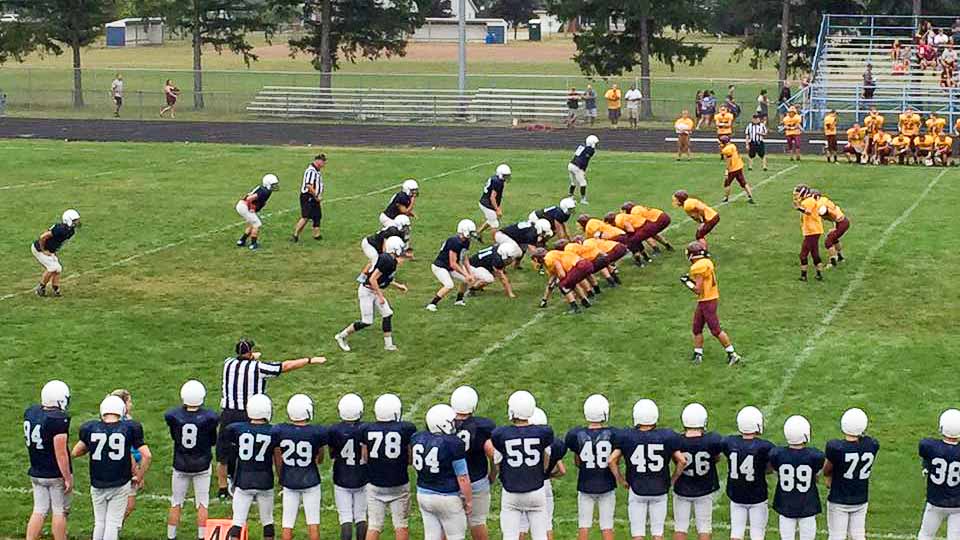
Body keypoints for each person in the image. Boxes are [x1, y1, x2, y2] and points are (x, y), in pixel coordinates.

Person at [216, 339, 325, 500]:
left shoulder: (228, 364)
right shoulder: (258, 367)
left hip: (228, 413)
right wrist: (309, 360)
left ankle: (223, 488)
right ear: (250, 352)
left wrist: (253, 357)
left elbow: (243, 360)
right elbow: (285, 366)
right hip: (250, 413)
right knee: (259, 451)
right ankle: (273, 482)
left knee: (223, 453)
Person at [73, 395, 152, 540]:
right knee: (113, 523)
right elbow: (147, 455)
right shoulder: (129, 428)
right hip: (120, 482)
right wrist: (139, 476)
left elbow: (76, 452)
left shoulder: (91, 428)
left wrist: (92, 446)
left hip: (97, 482)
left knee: (100, 522)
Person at [609, 399, 685, 540]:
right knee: (658, 533)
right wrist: (672, 479)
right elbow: (682, 460)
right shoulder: (666, 436)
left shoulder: (627, 436)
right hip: (660, 489)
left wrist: (621, 480)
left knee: (638, 533)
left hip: (637, 489)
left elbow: (611, 460)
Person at [491, 391, 555, 540]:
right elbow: (546, 460)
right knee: (540, 535)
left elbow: (498, 462)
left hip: (511, 492)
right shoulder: (542, 433)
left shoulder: (501, 434)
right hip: (536, 490)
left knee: (510, 536)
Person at [165, 380, 219, 540]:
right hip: (202, 464)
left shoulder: (174, 416)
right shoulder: (209, 417)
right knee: (202, 503)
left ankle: (171, 536)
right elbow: (212, 441)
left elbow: (175, 436)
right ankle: (202, 536)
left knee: (176, 502)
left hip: (180, 463)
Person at [359, 394, 417, 540]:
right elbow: (410, 459)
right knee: (401, 524)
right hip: (399, 483)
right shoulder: (406, 428)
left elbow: (365, 457)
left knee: (374, 525)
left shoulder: (366, 429)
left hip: (375, 483)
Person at [412, 404, 473, 540]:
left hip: (423, 494)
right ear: (443, 424)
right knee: (456, 536)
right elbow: (462, 477)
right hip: (447, 497)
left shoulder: (418, 438)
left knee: (431, 536)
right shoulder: (453, 443)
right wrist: (468, 501)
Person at [336, 236, 407, 352]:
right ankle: (341, 336)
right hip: (367, 291)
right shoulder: (387, 260)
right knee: (367, 321)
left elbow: (384, 279)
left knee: (387, 314)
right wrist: (380, 296)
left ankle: (388, 345)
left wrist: (398, 286)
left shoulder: (390, 260)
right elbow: (373, 279)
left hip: (373, 290)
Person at [222, 394, 276, 540]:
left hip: (244, 480)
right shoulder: (274, 431)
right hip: (265, 480)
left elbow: (228, 447)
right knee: (268, 521)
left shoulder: (237, 429)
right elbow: (277, 457)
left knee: (237, 521)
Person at [273, 394, 327, 540]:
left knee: (287, 522)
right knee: (313, 521)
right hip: (310, 479)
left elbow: (277, 454)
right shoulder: (316, 432)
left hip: (289, 479)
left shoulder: (280, 430)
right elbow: (320, 459)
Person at [24, 381, 73, 540]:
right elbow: (61, 453)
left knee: (39, 510)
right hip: (53, 473)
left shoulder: (32, 412)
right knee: (59, 511)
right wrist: (67, 477)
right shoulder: (58, 419)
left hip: (36, 470)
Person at [565, 395, 617, 540]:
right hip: (606, 483)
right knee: (607, 526)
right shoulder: (613, 434)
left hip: (585, 483)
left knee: (583, 525)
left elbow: (577, 461)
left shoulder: (576, 434)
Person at [680, 242, 741, 365]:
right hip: (708, 298)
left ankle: (733, 354)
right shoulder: (706, 262)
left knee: (715, 329)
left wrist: (687, 282)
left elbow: (698, 290)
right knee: (696, 328)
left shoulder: (698, 267)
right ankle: (698, 355)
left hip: (707, 300)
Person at [823, 408, 878, 540]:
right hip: (860, 498)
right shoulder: (872, 445)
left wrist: (828, 477)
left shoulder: (835, 448)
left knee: (837, 536)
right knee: (858, 535)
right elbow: (865, 440)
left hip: (839, 499)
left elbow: (826, 469)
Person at [450, 386, 497, 540]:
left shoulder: (444, 423)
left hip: (450, 481)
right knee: (477, 522)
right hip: (476, 479)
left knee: (448, 524)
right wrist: (493, 473)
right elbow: (492, 453)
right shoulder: (482, 426)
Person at [673, 403, 724, 540]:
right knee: (704, 527)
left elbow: (675, 459)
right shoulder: (712, 440)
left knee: (680, 527)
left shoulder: (677, 440)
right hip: (704, 489)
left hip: (682, 488)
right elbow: (716, 458)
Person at [769, 416, 824, 540]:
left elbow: (776, 470)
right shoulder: (815, 455)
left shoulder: (777, 454)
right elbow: (815, 475)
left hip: (785, 504)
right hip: (808, 504)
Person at [723, 406, 774, 540]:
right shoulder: (765, 446)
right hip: (757, 496)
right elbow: (770, 468)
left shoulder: (729, 442)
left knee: (736, 533)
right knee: (757, 534)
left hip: (736, 495)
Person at [327, 394, 368, 540]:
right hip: (362, 476)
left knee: (345, 518)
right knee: (361, 516)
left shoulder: (334, 430)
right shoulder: (366, 429)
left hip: (341, 476)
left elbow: (332, 454)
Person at [916, 409, 960, 540]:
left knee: (926, 535)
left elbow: (925, 451)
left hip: (935, 501)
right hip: (958, 504)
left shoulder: (929, 446)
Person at [427, 219, 477, 311]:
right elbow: (453, 263)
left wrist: (469, 273)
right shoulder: (454, 241)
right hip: (440, 266)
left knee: (466, 280)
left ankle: (459, 300)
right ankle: (432, 304)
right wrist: (466, 274)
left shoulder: (465, 241)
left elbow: (465, 257)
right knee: (449, 285)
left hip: (449, 267)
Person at [32, 209, 81, 297]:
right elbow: (43, 237)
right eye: (75, 220)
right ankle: (40, 288)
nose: (77, 222)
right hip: (39, 248)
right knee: (52, 267)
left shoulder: (70, 231)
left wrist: (52, 251)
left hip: (49, 250)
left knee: (58, 269)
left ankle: (56, 289)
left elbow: (58, 241)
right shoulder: (60, 229)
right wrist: (43, 250)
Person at [533, 247, 594, 314]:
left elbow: (562, 274)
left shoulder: (548, 260)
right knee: (570, 283)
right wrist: (545, 299)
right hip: (585, 264)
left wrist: (558, 282)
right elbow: (553, 277)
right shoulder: (551, 255)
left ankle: (575, 308)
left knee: (563, 285)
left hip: (580, 266)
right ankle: (585, 302)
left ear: (540, 257)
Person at [109, 389, 140, 521]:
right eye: (129, 401)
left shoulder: (123, 419)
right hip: (127, 466)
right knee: (129, 504)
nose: (131, 404)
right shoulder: (125, 424)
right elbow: (129, 451)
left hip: (122, 464)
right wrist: (137, 472)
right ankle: (112, 528)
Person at [235, 173, 279, 250]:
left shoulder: (265, 189)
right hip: (244, 206)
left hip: (242, 205)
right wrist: (251, 208)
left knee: (252, 223)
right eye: (273, 184)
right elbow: (249, 199)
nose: (274, 186)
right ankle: (253, 244)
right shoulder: (264, 191)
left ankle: (242, 241)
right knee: (257, 224)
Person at [793, 185, 824, 282]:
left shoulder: (809, 201)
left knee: (803, 254)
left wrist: (799, 208)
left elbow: (808, 212)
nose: (796, 195)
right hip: (813, 230)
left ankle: (803, 276)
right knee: (815, 253)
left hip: (812, 231)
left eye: (798, 193)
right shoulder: (808, 200)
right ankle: (819, 274)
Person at [292, 153, 326, 242]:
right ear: (318, 161)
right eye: (323, 162)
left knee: (317, 216)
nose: (324, 164)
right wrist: (316, 196)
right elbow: (309, 186)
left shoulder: (317, 171)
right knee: (306, 216)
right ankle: (295, 234)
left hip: (314, 197)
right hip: (308, 196)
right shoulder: (311, 171)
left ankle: (317, 235)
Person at [812, 190, 849, 267]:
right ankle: (840, 257)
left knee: (828, 241)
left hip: (841, 223)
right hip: (843, 222)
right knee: (833, 238)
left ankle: (833, 260)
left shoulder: (821, 206)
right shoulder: (824, 200)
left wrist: (835, 227)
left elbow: (834, 216)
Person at [477, 164, 512, 240]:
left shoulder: (496, 179)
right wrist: (497, 209)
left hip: (486, 202)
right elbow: (492, 197)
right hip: (487, 204)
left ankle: (478, 233)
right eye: (505, 176)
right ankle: (495, 243)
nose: (506, 177)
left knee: (492, 220)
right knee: (495, 224)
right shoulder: (498, 182)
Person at [719, 135, 754, 204]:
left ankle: (726, 198)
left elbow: (728, 161)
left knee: (727, 183)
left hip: (733, 168)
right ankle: (750, 196)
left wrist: (727, 170)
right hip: (739, 166)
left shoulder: (726, 150)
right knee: (743, 182)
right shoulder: (732, 145)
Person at [568, 135, 599, 204]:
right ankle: (583, 199)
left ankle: (570, 197)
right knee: (583, 183)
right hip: (577, 167)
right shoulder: (590, 150)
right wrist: (582, 170)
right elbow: (585, 159)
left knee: (573, 182)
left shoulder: (581, 147)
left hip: (571, 165)